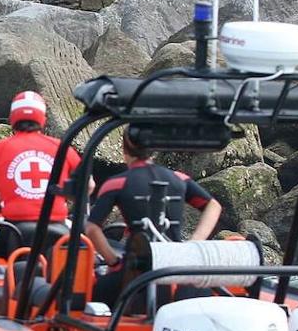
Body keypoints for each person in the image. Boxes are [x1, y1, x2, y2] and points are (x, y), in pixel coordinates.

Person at [85, 128, 223, 306]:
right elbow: (213, 205)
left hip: (135, 273)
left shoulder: (116, 183)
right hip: (176, 267)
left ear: (124, 149)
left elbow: (91, 228)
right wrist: (195, 241)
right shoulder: (179, 178)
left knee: (92, 293)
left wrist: (113, 261)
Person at [0, 91, 86, 254]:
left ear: (12, 118)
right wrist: (65, 195)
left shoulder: (0, 148)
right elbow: (88, 186)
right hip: (58, 229)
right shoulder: (62, 148)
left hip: (14, 230)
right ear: (43, 119)